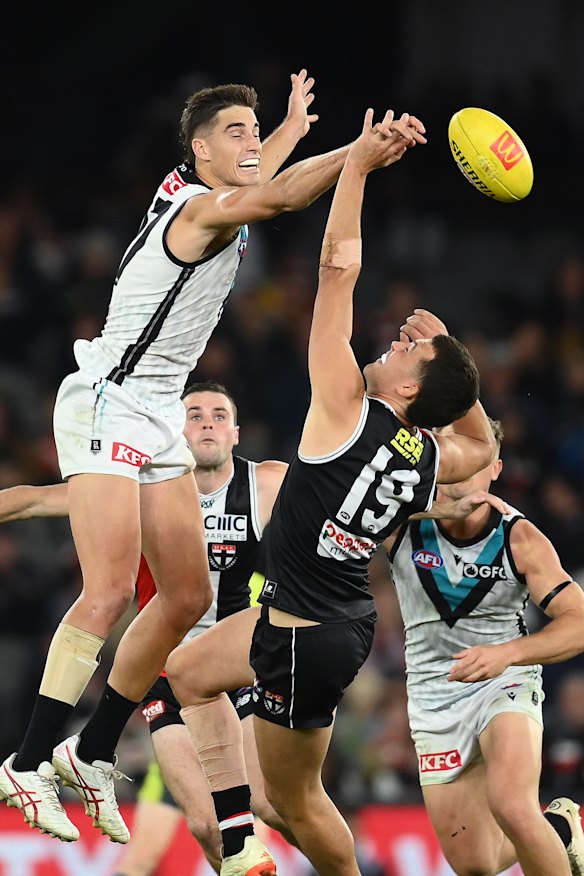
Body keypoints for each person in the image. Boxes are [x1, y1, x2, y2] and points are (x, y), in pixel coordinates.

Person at [0, 67, 362, 850]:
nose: (250, 144)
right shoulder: (200, 208)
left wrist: (292, 128)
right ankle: (26, 763)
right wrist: (356, 155)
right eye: (236, 134)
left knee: (187, 596)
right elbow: (278, 196)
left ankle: (91, 752)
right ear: (199, 152)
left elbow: (265, 177)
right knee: (104, 591)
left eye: (251, 133)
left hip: (159, 409)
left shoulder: (211, 183)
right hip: (110, 398)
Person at [167, 108, 501, 876]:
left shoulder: (345, 410)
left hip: (300, 631)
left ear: (412, 385)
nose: (395, 341)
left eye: (408, 349)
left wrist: (354, 167)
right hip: (319, 616)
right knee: (184, 673)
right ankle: (238, 836)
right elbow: (482, 445)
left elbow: (336, 271)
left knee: (297, 802)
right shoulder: (424, 456)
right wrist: (453, 369)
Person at [0, 381, 292, 874]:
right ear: (170, 432)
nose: (206, 423)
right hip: (162, 671)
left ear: (237, 433)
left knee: (267, 807)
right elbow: (33, 502)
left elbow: (353, 495)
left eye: (219, 415)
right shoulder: (135, 489)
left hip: (232, 670)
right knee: (204, 825)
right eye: (193, 414)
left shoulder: (267, 484)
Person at [385, 411, 584, 876]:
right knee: (476, 864)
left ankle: (539, 824)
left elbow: (578, 622)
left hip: (504, 683)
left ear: (495, 469)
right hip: (435, 695)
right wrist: (432, 509)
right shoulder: (399, 523)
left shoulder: (521, 538)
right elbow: (325, 504)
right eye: (450, 455)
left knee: (512, 806)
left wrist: (507, 654)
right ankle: (559, 828)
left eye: (476, 459)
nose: (462, 474)